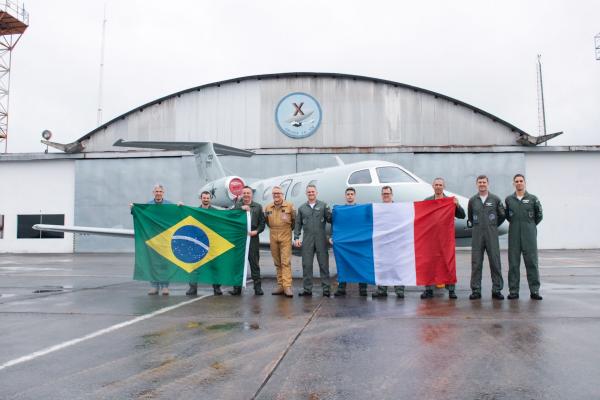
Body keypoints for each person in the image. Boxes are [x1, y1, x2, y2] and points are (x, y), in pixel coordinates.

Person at [420, 177, 466, 300]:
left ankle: (451, 290)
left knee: (448, 263)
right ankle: (428, 290)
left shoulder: (449, 201)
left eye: (440, 185)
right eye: (436, 184)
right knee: (429, 264)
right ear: (433, 186)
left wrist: (457, 206)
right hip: (431, 239)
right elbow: (421, 216)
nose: (438, 187)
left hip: (446, 239)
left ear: (444, 186)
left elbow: (462, 215)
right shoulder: (427, 201)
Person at [505, 174, 544, 300]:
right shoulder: (509, 199)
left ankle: (535, 291)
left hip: (529, 236)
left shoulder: (533, 199)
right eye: (516, 181)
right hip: (514, 236)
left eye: (521, 181)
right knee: (513, 264)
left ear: (525, 183)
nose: (519, 183)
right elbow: (507, 216)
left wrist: (530, 226)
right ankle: (513, 291)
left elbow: (539, 216)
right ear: (513, 183)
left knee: (532, 263)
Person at [467, 175, 506, 300]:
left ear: (488, 184)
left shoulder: (495, 199)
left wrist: (492, 226)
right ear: (476, 184)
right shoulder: (473, 200)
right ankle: (476, 290)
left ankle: (497, 289)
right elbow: (470, 216)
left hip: (491, 235)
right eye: (480, 182)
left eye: (484, 182)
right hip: (477, 235)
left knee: (495, 262)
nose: (482, 184)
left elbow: (502, 216)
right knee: (476, 263)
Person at [294, 184, 332, 297]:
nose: (311, 193)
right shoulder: (301, 208)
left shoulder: (323, 206)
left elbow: (331, 220)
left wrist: (336, 213)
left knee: (324, 265)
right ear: (306, 193)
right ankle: (307, 289)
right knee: (307, 265)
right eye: (309, 192)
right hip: (307, 240)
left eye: (313, 192)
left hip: (321, 239)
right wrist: (296, 237)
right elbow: (297, 224)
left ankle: (326, 289)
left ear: (316, 193)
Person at [185, 191, 223, 296]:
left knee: (214, 266)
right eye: (204, 198)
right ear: (201, 198)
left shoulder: (216, 212)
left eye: (207, 198)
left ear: (210, 199)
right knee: (195, 266)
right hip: (198, 243)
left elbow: (222, 222)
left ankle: (217, 288)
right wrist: (181, 208)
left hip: (212, 243)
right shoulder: (196, 212)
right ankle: (193, 288)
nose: (206, 199)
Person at [229, 186, 266, 296]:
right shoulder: (237, 206)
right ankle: (237, 288)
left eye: (248, 193)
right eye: (244, 193)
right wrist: (241, 209)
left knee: (254, 263)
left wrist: (256, 231)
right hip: (240, 239)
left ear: (251, 194)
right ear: (241, 194)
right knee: (238, 264)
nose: (246, 195)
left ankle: (257, 288)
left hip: (253, 238)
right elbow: (231, 217)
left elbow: (262, 224)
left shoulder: (258, 207)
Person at [333, 187, 368, 297]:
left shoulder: (361, 209)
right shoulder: (339, 211)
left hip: (357, 242)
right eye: (348, 194)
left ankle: (363, 289)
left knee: (361, 264)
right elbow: (336, 225)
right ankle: (341, 288)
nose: (350, 196)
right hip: (344, 243)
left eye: (352, 194)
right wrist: (333, 236)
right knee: (343, 264)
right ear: (345, 196)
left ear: (355, 196)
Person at [372, 186, 405, 299]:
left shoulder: (398, 208)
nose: (386, 195)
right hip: (382, 243)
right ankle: (382, 290)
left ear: (392, 194)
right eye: (384, 193)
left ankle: (399, 290)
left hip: (395, 242)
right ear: (381, 195)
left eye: (388, 193)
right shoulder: (378, 209)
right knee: (382, 266)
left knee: (397, 267)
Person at [265, 186, 295, 297]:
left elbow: (294, 221)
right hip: (273, 235)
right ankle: (280, 285)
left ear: (282, 194)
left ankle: (287, 286)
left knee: (285, 262)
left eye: (278, 193)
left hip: (285, 235)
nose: (276, 195)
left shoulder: (289, 206)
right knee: (277, 262)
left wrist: (286, 230)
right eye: (274, 193)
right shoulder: (268, 207)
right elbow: (267, 222)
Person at [146, 184, 173, 296]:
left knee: (164, 263)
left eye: (160, 191)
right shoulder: (147, 205)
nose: (158, 193)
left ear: (163, 192)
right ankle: (154, 286)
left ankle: (165, 287)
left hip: (165, 238)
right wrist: (133, 208)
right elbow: (138, 214)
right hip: (152, 238)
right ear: (153, 192)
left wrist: (181, 206)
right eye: (156, 191)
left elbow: (177, 214)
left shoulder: (169, 205)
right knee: (153, 263)